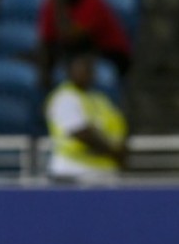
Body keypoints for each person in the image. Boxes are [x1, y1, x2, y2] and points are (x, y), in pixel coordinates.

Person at [38, 0, 133, 82]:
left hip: (110, 53)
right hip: (76, 50)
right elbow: (46, 40)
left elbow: (74, 37)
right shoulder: (51, 3)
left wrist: (59, 5)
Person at [45, 51, 128, 184]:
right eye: (80, 68)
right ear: (69, 72)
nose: (86, 73)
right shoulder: (64, 97)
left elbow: (118, 126)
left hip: (103, 174)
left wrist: (121, 147)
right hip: (73, 173)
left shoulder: (100, 99)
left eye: (89, 69)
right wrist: (113, 152)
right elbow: (81, 133)